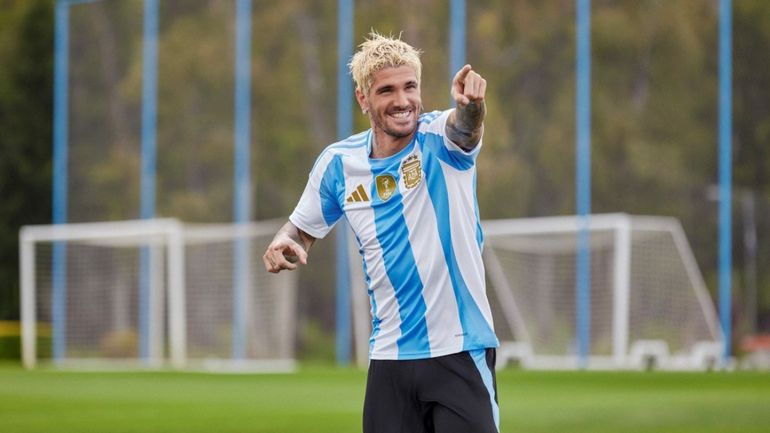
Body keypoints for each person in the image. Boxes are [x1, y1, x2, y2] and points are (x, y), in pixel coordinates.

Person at [263, 32, 500, 433]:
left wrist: (473, 108)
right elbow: (301, 229)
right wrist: (284, 241)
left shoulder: (439, 138)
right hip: (390, 359)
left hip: (459, 350)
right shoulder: (338, 164)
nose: (403, 101)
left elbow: (466, 130)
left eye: (410, 86)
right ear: (362, 99)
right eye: (387, 90)